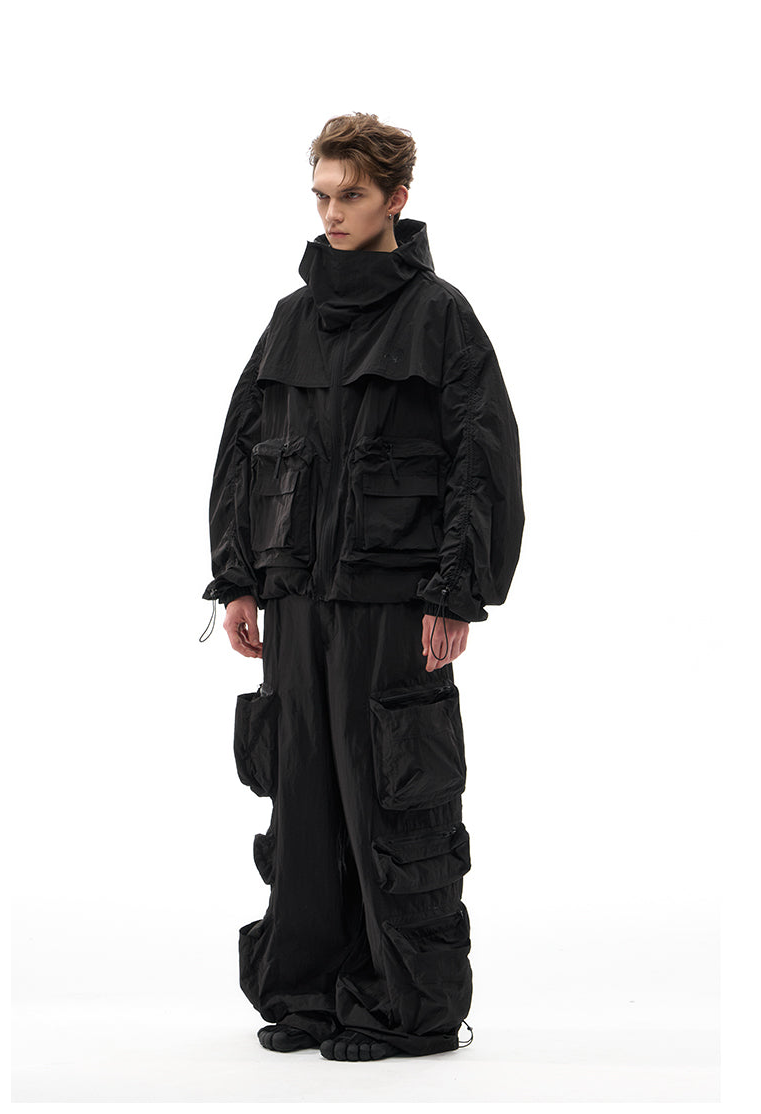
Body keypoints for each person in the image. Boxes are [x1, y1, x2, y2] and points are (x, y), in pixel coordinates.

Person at [199, 112, 524, 1061]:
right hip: (296, 596)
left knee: (393, 795)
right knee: (301, 795)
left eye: (351, 195)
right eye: (321, 196)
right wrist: (238, 580)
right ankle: (306, 991)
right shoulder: (291, 319)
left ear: (396, 199)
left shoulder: (441, 316)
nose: (332, 214)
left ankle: (400, 1003)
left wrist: (457, 591)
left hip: (394, 600)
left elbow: (483, 456)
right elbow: (242, 450)